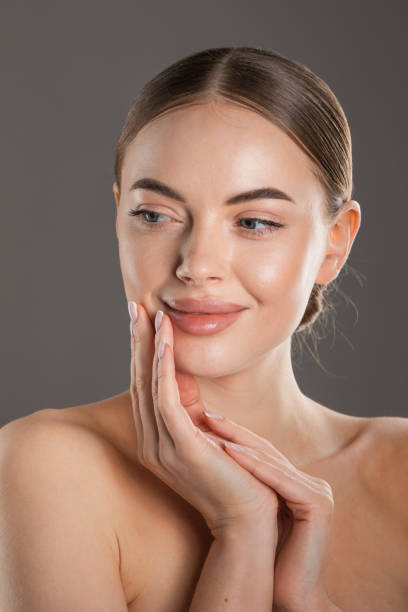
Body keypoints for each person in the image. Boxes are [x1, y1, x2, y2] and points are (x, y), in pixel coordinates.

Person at [1, 46, 407, 612]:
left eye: (255, 222)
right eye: (154, 215)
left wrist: (304, 601)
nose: (196, 263)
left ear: (335, 242)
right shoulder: (48, 466)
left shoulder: (402, 471)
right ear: (118, 215)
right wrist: (242, 530)